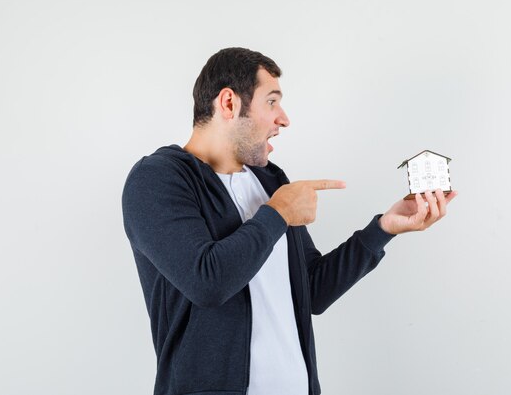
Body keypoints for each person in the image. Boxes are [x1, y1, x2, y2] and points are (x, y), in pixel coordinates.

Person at [121, 47, 457, 395]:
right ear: (228, 103)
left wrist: (383, 229)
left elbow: (312, 290)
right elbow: (208, 282)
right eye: (271, 102)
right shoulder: (157, 179)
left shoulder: (269, 181)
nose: (283, 119)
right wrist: (278, 213)